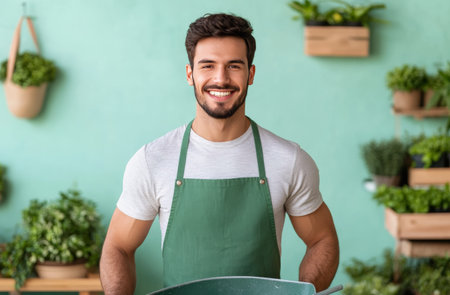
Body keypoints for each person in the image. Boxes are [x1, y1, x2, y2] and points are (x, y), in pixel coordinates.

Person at [100, 13, 339, 295]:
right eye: (208, 66)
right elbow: (118, 246)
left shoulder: (290, 160)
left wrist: (304, 292)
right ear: (190, 74)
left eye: (234, 66)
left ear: (250, 74)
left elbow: (322, 239)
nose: (220, 78)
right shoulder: (153, 161)